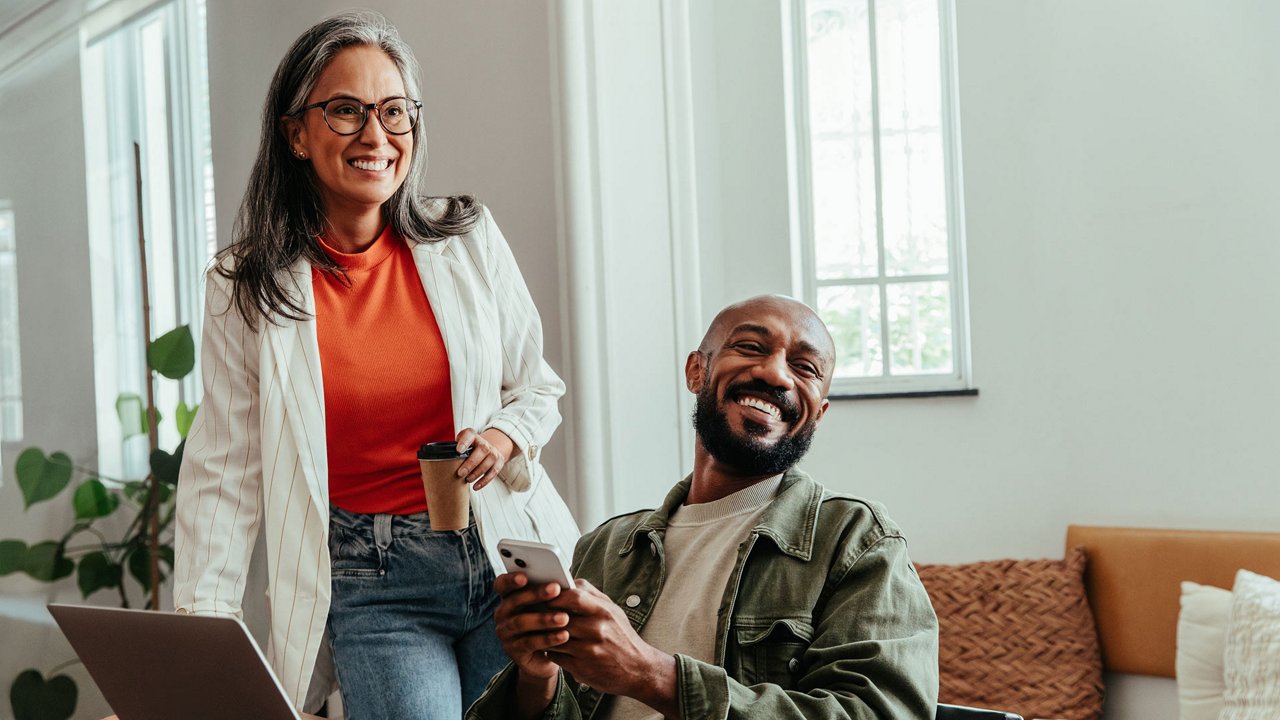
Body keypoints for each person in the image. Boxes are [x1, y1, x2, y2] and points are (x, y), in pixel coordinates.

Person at [170, 11, 579, 719]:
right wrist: (204, 638)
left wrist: (507, 435)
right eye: (345, 111)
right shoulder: (245, 285)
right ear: (296, 132)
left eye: (395, 112)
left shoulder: (468, 238)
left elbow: (535, 387)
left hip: (504, 554)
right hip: (373, 578)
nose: (375, 135)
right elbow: (224, 470)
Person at [468, 295, 939, 720]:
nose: (776, 374)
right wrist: (537, 678)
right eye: (752, 347)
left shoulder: (857, 541)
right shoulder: (607, 547)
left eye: (805, 368)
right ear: (697, 371)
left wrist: (651, 674)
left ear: (818, 411)